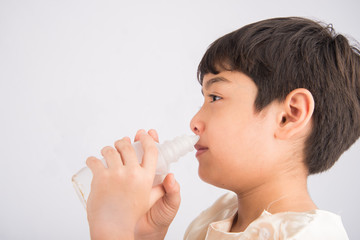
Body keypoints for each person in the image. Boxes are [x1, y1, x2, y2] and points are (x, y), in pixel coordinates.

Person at [85, 17, 360, 239]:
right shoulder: (215, 220)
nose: (194, 121)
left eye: (215, 97)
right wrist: (144, 235)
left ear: (289, 116)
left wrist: (112, 230)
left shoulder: (311, 236)